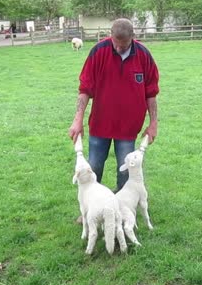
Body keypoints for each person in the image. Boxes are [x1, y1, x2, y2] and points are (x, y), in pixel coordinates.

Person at [68, 17, 160, 201]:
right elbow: (84, 89)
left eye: (123, 45)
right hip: (100, 123)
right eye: (115, 44)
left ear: (133, 37)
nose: (118, 48)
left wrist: (153, 123)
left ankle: (121, 207)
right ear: (110, 36)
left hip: (128, 126)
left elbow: (151, 94)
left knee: (126, 169)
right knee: (93, 166)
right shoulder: (99, 51)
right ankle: (92, 204)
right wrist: (78, 119)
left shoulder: (143, 55)